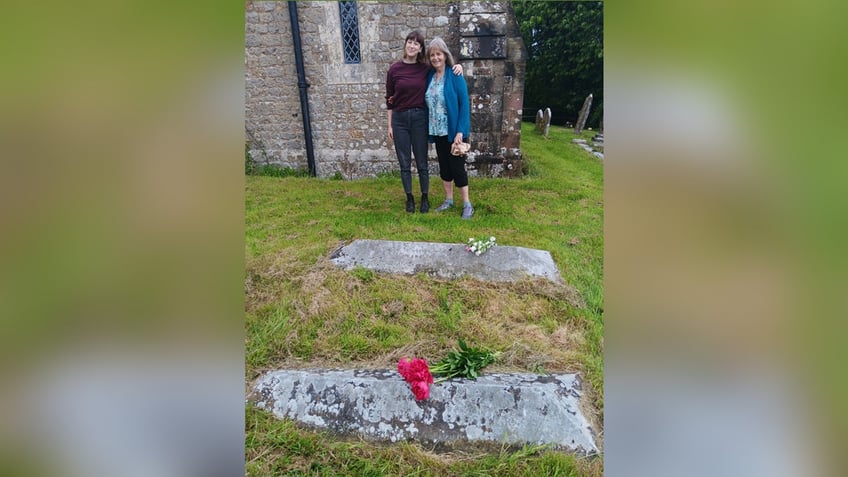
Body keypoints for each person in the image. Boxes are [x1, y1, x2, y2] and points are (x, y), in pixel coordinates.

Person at [385, 31, 462, 213]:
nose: (412, 46)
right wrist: (389, 125)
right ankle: (410, 198)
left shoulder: (425, 69)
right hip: (399, 120)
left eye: (416, 44)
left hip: (420, 119)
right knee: (404, 162)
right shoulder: (394, 69)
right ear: (405, 45)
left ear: (420, 49)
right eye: (409, 42)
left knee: (422, 162)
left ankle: (424, 197)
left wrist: (457, 66)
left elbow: (442, 68)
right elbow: (389, 98)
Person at [424, 37, 473, 219]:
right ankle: (448, 200)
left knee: (458, 168)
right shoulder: (429, 76)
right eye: (432, 55)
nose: (435, 58)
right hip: (437, 131)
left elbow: (464, 105)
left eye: (438, 54)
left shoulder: (455, 74)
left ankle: (467, 204)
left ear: (445, 55)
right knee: (444, 167)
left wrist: (461, 131)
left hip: (454, 132)